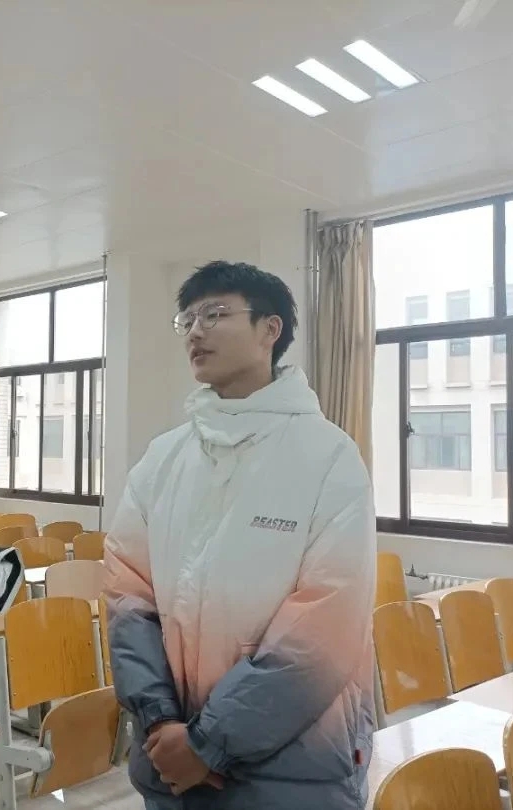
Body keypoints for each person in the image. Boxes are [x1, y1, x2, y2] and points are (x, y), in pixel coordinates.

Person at [105, 261, 376, 809]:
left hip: (292, 770)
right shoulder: (164, 458)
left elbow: (325, 626)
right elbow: (128, 595)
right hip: (171, 760)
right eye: (187, 320)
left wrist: (210, 741)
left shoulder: (328, 456)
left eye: (215, 314)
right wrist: (161, 721)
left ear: (269, 330)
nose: (196, 331)